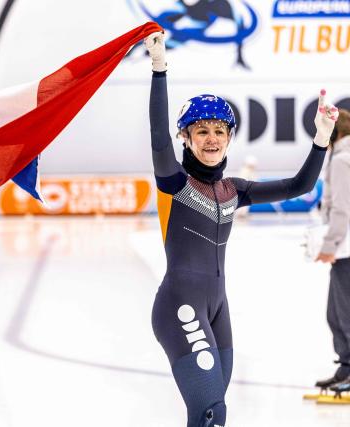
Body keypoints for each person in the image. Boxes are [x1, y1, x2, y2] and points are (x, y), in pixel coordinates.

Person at [144, 31, 338, 426]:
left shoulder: (234, 190)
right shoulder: (175, 182)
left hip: (217, 309)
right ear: (186, 138)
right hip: (179, 307)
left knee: (208, 416)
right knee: (212, 412)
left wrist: (320, 138)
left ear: (230, 138)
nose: (211, 139)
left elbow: (298, 186)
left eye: (219, 131)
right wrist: (159, 68)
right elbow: (157, 140)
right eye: (201, 131)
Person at [314, 108, 350, 392]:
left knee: (343, 314)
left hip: (345, 248)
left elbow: (341, 208)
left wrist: (329, 245)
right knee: (336, 313)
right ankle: (346, 368)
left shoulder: (341, 160)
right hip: (344, 248)